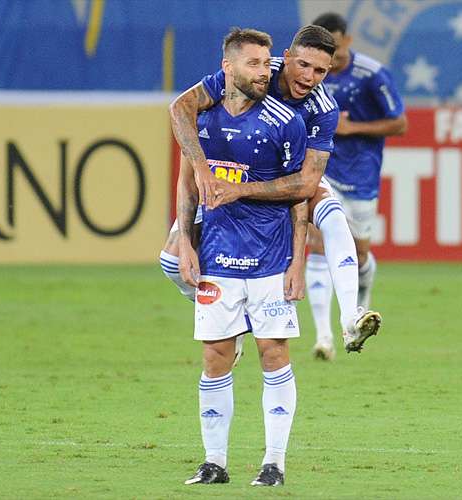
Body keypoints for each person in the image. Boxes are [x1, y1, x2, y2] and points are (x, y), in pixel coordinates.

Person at [162, 24, 381, 358]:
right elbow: (181, 108)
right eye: (303, 65)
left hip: (279, 181)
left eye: (320, 71)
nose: (309, 77)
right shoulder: (255, 71)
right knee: (170, 259)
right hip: (226, 171)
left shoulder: (322, 110)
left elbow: (306, 184)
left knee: (334, 216)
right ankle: (230, 322)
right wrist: (203, 170)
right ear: (287, 57)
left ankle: (350, 316)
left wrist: (242, 190)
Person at [177, 27, 308, 487]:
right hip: (216, 258)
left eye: (266, 62)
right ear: (227, 67)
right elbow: (188, 183)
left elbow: (299, 195)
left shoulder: (284, 121)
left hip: (271, 261)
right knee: (215, 357)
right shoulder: (203, 116)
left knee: (273, 354)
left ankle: (274, 462)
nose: (264, 71)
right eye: (253, 63)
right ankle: (214, 462)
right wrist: (184, 243)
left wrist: (298, 262)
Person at [308, 13, 407, 359]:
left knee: (359, 253)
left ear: (347, 40)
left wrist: (353, 128)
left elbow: (399, 123)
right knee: (318, 245)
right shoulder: (310, 76)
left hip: (362, 175)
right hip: (324, 170)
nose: (327, 59)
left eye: (332, 49)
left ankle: (357, 314)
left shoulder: (371, 74)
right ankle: (323, 337)